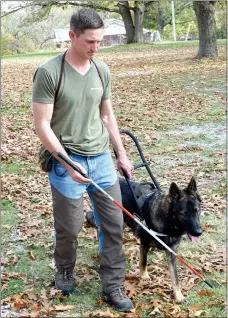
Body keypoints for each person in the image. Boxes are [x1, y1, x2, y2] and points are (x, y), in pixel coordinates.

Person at [32, 8, 134, 312]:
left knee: (114, 224)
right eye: (90, 41)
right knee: (69, 228)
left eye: (100, 42)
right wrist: (65, 162)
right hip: (66, 160)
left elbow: (106, 114)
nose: (95, 48)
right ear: (72, 36)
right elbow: (42, 126)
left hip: (101, 159)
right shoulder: (50, 72)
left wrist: (121, 154)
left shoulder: (101, 70)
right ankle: (64, 270)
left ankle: (113, 283)